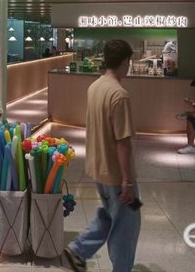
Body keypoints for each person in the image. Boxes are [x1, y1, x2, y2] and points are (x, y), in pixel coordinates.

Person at [64, 39, 140, 272]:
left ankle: (78, 249)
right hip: (117, 174)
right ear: (125, 61)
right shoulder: (119, 95)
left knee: (110, 214)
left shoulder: (95, 87)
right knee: (126, 228)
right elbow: (122, 142)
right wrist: (127, 181)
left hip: (98, 168)